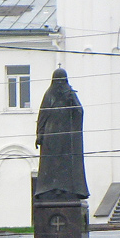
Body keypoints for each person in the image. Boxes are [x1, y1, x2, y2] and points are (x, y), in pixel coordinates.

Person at [34, 68, 89, 201]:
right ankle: (49, 188)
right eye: (57, 82)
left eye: (62, 82)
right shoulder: (49, 94)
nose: (59, 85)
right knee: (50, 163)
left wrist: (72, 102)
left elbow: (79, 112)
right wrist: (39, 133)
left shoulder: (70, 94)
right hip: (50, 135)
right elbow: (42, 115)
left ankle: (66, 189)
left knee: (66, 163)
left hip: (66, 137)